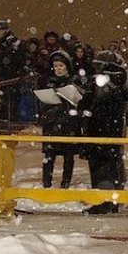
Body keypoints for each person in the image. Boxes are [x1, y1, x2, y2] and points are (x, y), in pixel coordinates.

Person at [80, 51, 128, 214]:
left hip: (98, 128)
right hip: (114, 128)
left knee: (99, 166)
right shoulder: (122, 81)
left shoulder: (99, 82)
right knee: (112, 163)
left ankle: (102, 201)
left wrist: (82, 105)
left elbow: (89, 104)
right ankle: (112, 200)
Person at [37, 50, 83, 189]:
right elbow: (42, 102)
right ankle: (46, 183)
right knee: (49, 156)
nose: (58, 69)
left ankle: (66, 183)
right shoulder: (48, 81)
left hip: (69, 123)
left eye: (61, 66)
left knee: (68, 156)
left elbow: (80, 100)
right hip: (52, 123)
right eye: (56, 66)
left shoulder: (74, 81)